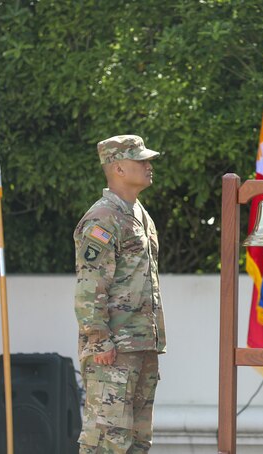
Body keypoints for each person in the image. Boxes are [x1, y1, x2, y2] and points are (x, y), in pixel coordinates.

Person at [74, 134, 167, 452]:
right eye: (140, 160)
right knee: (106, 442)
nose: (148, 165)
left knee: (138, 442)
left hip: (141, 345)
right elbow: (90, 284)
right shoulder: (103, 218)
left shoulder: (140, 215)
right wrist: (99, 339)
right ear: (118, 168)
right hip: (113, 349)